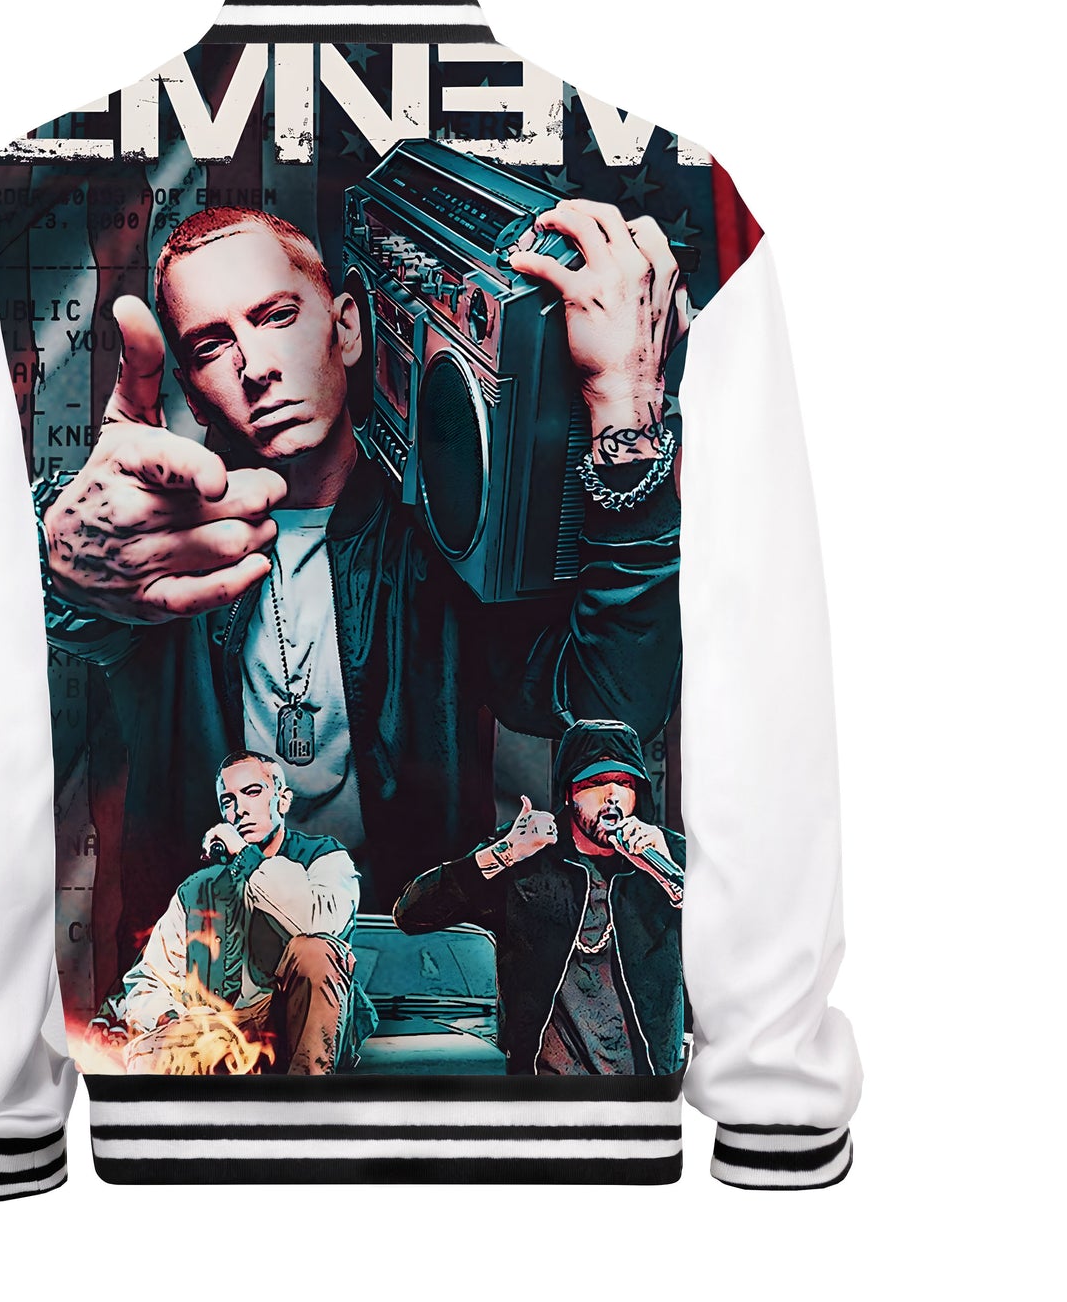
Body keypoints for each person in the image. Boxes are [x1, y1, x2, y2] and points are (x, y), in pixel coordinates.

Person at [36, 199, 686, 973]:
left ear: (346, 326)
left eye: (276, 316)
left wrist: (623, 408)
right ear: (192, 389)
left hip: (408, 974)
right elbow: (81, 611)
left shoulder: (439, 540)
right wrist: (51, 555)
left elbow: (611, 702)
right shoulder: (167, 551)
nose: (255, 365)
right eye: (213, 345)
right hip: (212, 990)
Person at [392, 718, 686, 1076]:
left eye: (624, 783)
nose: (612, 795)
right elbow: (412, 913)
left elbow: (735, 942)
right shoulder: (527, 856)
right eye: (595, 783)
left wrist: (668, 872)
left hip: (643, 1082)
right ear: (568, 792)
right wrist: (505, 853)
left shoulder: (670, 855)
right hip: (546, 1086)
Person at [111, 749, 376, 1075]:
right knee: (147, 1054)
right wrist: (171, 1019)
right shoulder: (197, 890)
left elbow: (316, 922)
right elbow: (148, 979)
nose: (240, 810)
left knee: (315, 950)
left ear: (282, 800)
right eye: (228, 801)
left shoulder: (323, 858)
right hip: (224, 1031)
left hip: (296, 1029)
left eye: (252, 792)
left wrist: (247, 857)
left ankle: (305, 1096)